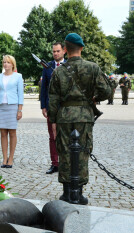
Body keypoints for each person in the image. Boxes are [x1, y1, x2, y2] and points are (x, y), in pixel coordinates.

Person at [48, 33, 111, 205]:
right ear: (82, 48)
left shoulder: (58, 71)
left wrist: (53, 121)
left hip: (64, 117)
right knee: (82, 152)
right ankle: (79, 193)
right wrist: (94, 98)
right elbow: (107, 91)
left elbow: (52, 99)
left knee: (65, 152)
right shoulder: (93, 68)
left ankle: (67, 193)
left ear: (66, 49)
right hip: (84, 116)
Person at [0, 55, 24, 168]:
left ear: (12, 64)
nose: (6, 64)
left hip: (13, 106)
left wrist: (20, 110)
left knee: (12, 132)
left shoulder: (18, 77)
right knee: (3, 133)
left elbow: (20, 94)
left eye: (8, 62)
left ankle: (11, 158)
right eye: (4, 62)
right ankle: (4, 158)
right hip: (1, 107)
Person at [41, 42, 66, 174]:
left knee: (65, 136)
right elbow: (43, 87)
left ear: (64, 51)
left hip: (66, 108)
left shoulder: (69, 65)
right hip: (51, 107)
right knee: (53, 136)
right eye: (54, 51)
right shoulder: (48, 66)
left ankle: (65, 163)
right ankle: (55, 163)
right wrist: (43, 106)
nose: (55, 53)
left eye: (58, 51)